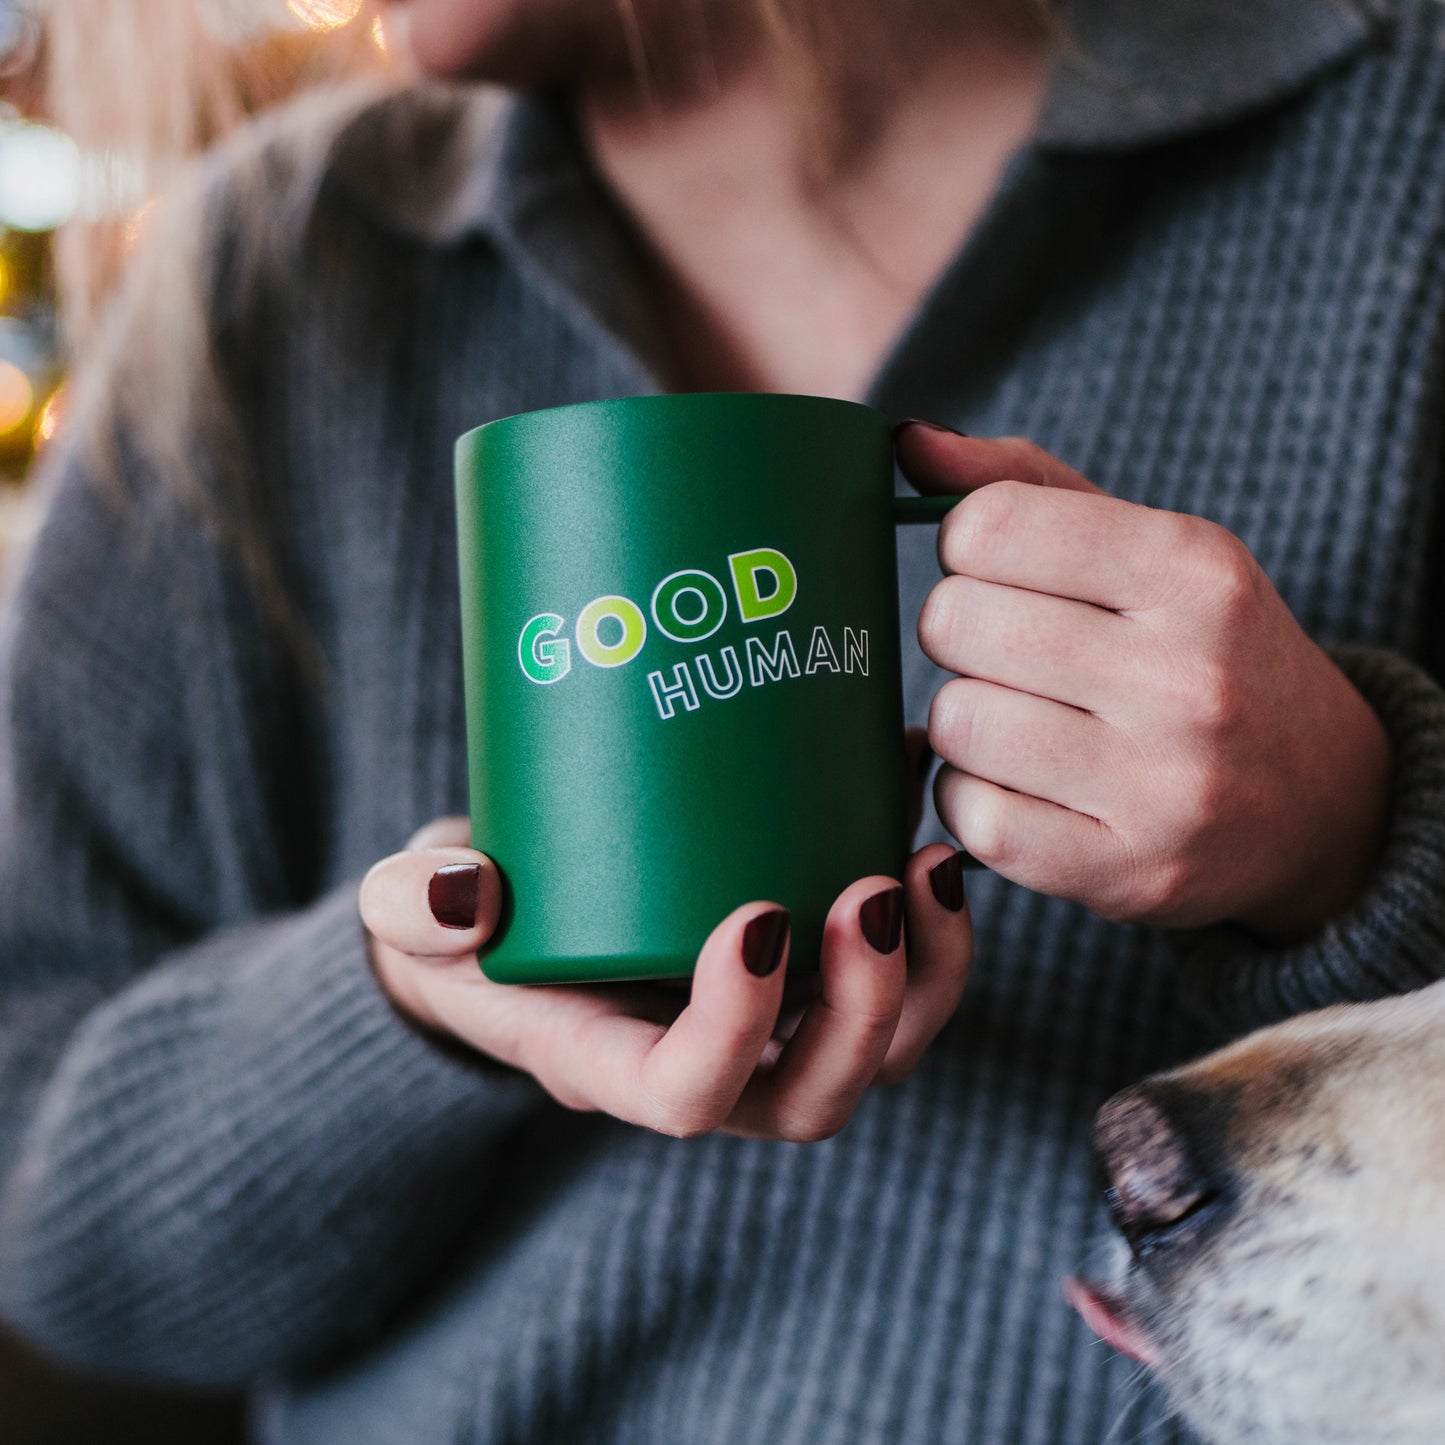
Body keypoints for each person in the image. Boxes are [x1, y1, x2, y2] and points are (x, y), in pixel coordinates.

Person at [2, 0, 1444, 1440]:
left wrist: (1357, 831)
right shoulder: (275, 270)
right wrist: (394, 1013)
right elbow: (46, 1226)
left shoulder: (1402, 138)